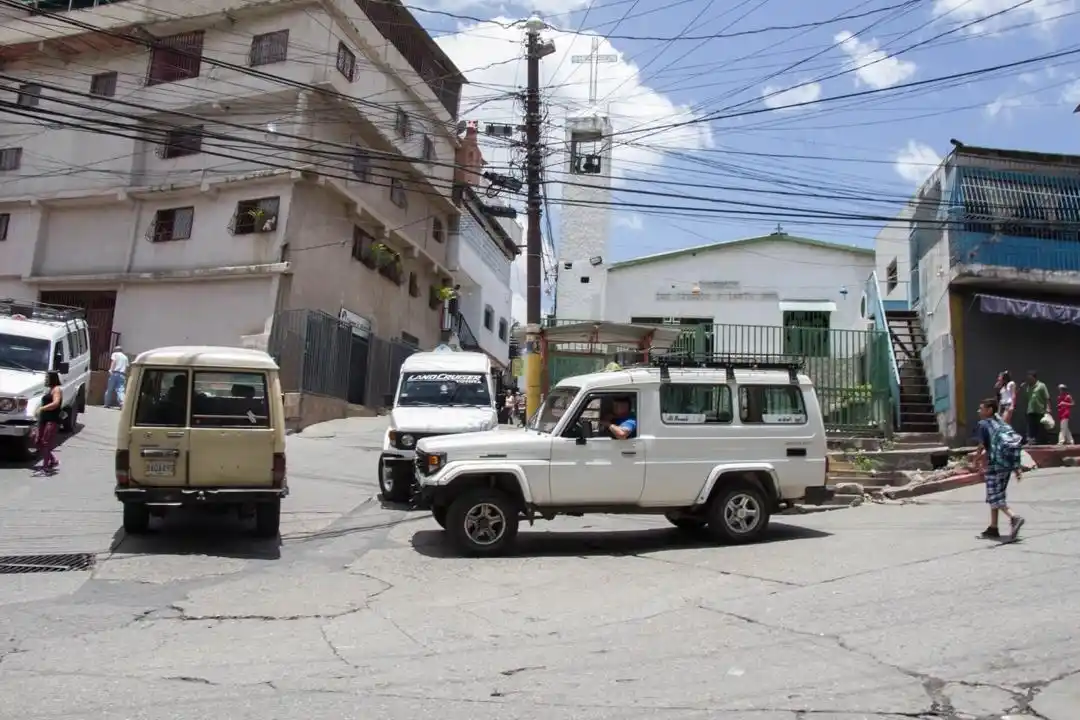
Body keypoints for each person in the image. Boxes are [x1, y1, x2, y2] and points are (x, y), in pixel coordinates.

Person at [974, 398, 1025, 541]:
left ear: (989, 410)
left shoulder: (984, 424)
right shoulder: (1001, 423)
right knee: (997, 495)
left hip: (994, 466)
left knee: (995, 497)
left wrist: (976, 460)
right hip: (1005, 466)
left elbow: (982, 445)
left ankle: (1014, 517)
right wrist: (1016, 468)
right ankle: (993, 527)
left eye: (981, 408)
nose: (979, 411)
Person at [34, 372, 63, 473]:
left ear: (52, 378)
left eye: (47, 377)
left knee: (45, 442)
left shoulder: (57, 390)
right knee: (38, 441)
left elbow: (56, 403)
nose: (45, 379)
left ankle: (45, 466)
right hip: (44, 419)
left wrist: (42, 408)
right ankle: (53, 460)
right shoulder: (49, 389)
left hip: (52, 420)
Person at [1024, 370, 1050, 445]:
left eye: (1030, 378)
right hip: (1030, 410)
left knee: (1041, 427)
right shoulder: (1028, 387)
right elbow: (1028, 398)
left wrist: (1048, 408)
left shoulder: (1042, 385)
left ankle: (1044, 441)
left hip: (1040, 410)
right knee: (1031, 426)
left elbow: (1047, 397)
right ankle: (1031, 441)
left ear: (1034, 378)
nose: (1029, 380)